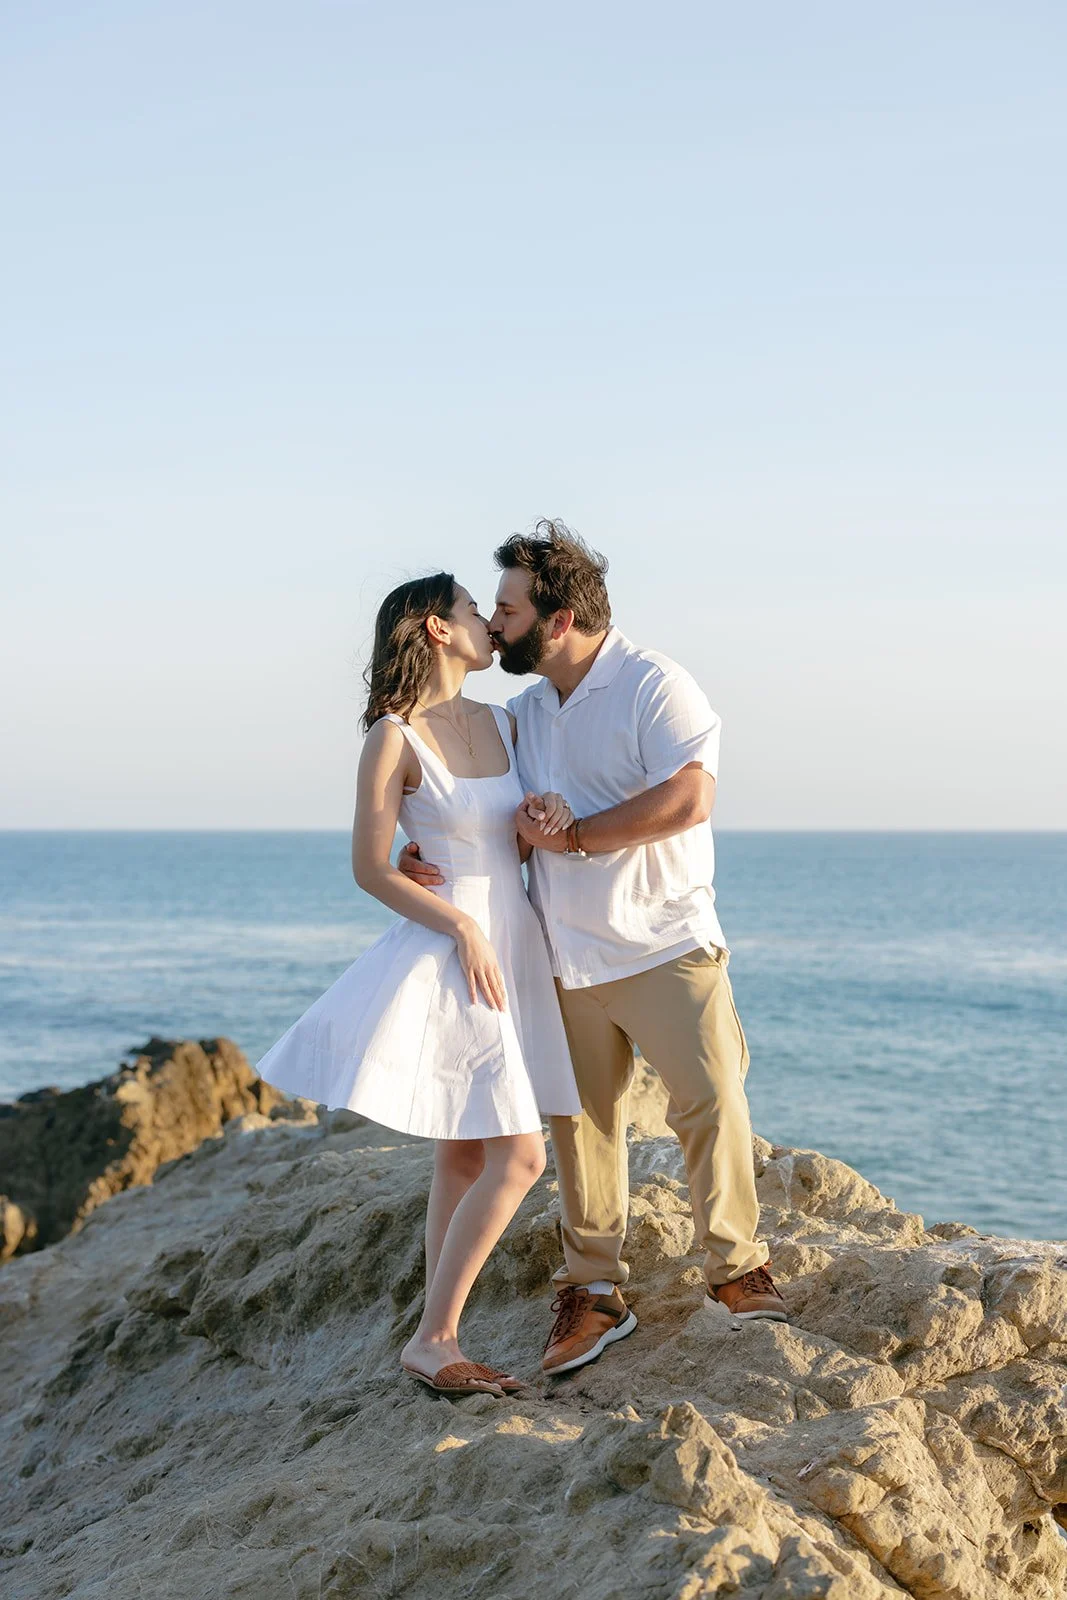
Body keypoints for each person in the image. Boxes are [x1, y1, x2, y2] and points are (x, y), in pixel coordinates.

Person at [399, 521, 787, 1377]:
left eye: (505, 608)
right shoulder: (524, 713)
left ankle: (734, 1267)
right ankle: (594, 1293)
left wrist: (574, 838)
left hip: (664, 941)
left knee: (710, 1099)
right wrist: (416, 849)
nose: (494, 624)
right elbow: (472, 795)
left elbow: (689, 798)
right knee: (581, 1128)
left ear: (560, 617)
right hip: (562, 954)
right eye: (490, 609)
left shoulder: (655, 684)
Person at [255, 573, 583, 1396]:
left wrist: (529, 832)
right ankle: (434, 1338)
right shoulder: (392, 737)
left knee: (466, 1149)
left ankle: (436, 1334)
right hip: (455, 946)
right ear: (437, 630)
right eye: (476, 612)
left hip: (514, 934)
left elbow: (507, 842)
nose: (490, 626)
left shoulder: (508, 722)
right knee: (519, 1155)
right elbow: (370, 868)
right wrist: (459, 923)